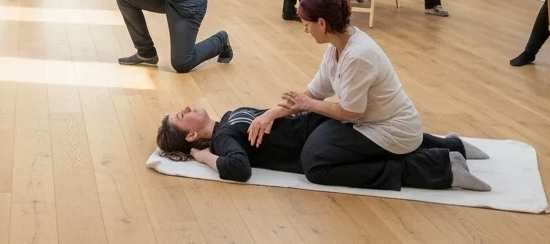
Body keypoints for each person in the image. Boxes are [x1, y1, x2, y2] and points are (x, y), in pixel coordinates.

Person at [263, 0, 489, 192]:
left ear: (321, 23)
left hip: (391, 130)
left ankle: (441, 168)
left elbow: (350, 113)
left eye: (306, 23)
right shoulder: (336, 48)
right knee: (315, 146)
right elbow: (313, 93)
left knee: (315, 165)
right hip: (372, 123)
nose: (305, 29)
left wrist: (308, 105)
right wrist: (271, 113)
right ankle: (452, 145)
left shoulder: (358, 55)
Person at [156, 103, 487, 184]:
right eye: (182, 116)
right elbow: (237, 169)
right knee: (370, 143)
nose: (187, 108)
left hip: (318, 124)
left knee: (377, 137)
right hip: (317, 141)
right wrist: (202, 157)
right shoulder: (224, 137)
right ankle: (445, 160)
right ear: (191, 136)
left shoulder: (229, 116)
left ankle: (448, 148)